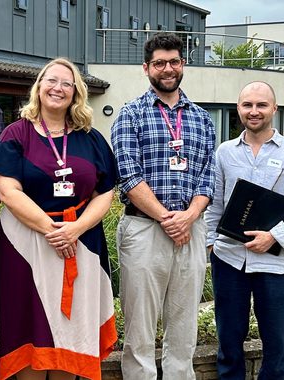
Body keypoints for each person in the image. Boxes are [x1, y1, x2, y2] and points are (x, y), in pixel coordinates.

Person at [0, 58, 117, 380]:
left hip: (81, 241)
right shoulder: (16, 134)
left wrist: (76, 229)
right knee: (28, 327)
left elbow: (106, 192)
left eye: (66, 84)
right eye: (51, 80)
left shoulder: (91, 138)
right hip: (26, 243)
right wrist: (51, 230)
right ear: (39, 86)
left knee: (72, 329)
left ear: (76, 93)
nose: (58, 88)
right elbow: (7, 190)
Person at [111, 32, 216, 380]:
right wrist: (167, 219)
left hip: (191, 229)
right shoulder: (130, 114)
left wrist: (188, 217)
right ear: (146, 68)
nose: (167, 68)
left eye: (174, 61)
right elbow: (128, 174)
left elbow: (207, 177)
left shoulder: (202, 119)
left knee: (184, 327)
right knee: (140, 330)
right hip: (144, 229)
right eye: (159, 63)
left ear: (182, 65)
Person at [202, 81, 284, 379]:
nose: (254, 111)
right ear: (238, 109)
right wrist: (211, 243)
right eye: (247, 105)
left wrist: (274, 237)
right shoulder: (224, 153)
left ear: (274, 109)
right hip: (229, 259)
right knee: (229, 341)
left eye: (261, 105)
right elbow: (214, 204)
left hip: (276, 263)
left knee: (275, 343)